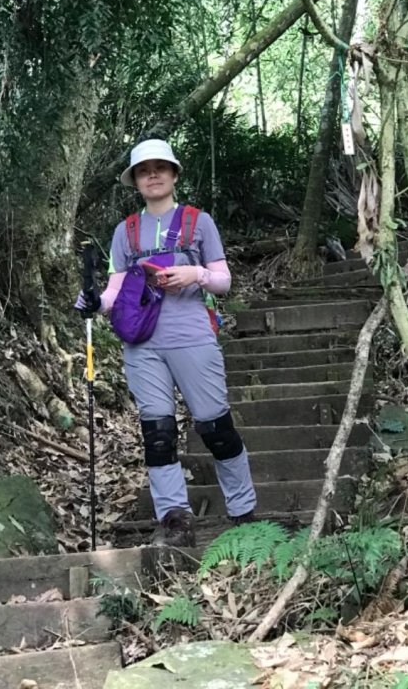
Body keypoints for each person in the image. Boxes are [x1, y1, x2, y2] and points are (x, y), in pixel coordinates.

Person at [76, 138, 257, 547]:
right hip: (142, 343)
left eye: (159, 167)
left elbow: (223, 280)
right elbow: (115, 290)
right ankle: (175, 520)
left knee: (215, 427)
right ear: (136, 181)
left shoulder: (198, 222)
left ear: (174, 174)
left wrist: (196, 275)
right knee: (157, 433)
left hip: (192, 335)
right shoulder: (125, 231)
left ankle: (244, 510)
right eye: (143, 170)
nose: (152, 175)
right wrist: (94, 302)